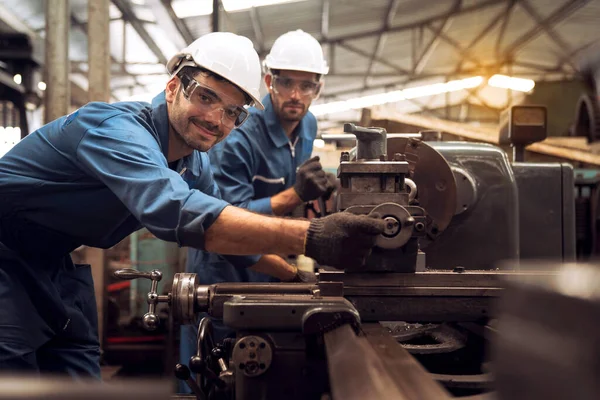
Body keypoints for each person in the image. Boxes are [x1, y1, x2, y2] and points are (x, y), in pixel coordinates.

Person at [0, 32, 385, 378]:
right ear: (172, 88)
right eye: (206, 97)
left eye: (233, 112)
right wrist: (312, 236)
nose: (216, 119)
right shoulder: (115, 129)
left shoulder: (193, 164)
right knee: (14, 381)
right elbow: (178, 210)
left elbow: (230, 234)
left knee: (80, 378)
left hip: (54, 264)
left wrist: (298, 280)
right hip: (6, 258)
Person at [179, 30, 334, 376]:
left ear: (318, 88)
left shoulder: (308, 124)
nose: (296, 95)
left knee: (263, 365)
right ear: (268, 81)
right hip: (223, 267)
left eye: (306, 85)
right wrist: (295, 195)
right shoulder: (237, 132)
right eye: (286, 83)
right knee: (214, 361)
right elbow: (227, 219)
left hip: (271, 261)